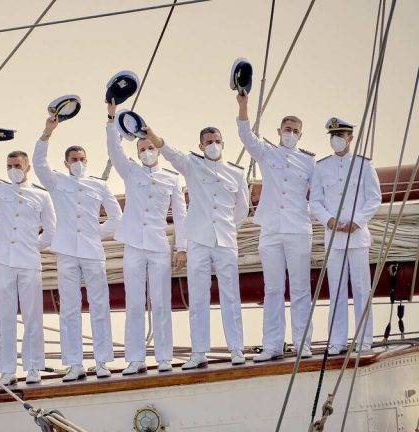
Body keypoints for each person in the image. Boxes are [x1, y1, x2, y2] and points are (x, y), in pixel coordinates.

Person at [33, 114, 122, 381]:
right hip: (67, 251)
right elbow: (38, 163)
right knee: (70, 308)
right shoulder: (57, 181)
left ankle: (103, 361)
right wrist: (47, 132)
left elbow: (116, 217)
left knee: (99, 305)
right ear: (66, 163)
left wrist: (96, 234)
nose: (79, 163)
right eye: (74, 160)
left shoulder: (99, 185)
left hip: (93, 251)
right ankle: (74, 364)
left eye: (82, 159)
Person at [156, 125, 249, 369]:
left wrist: (228, 226)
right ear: (201, 146)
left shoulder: (236, 173)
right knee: (198, 296)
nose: (213, 145)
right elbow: (170, 153)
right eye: (208, 142)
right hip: (198, 239)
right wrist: (152, 134)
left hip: (225, 240)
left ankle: (236, 348)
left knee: (231, 294)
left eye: (217, 141)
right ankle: (198, 352)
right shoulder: (192, 165)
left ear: (223, 143)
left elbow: (242, 208)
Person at [105, 101, 187, 375]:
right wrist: (111, 117)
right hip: (133, 245)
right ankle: (135, 358)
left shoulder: (172, 179)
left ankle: (164, 357)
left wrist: (181, 247)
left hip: (158, 246)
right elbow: (114, 151)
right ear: (138, 154)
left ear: (157, 151)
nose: (147, 152)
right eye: (142, 149)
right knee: (135, 302)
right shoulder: (131, 172)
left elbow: (181, 214)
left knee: (161, 302)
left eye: (151, 148)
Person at [0, 141, 56, 386]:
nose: (13, 169)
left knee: (32, 316)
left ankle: (34, 367)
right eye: (9, 166)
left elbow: (50, 230)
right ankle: (7, 370)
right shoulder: (1, 190)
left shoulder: (42, 196)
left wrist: (30, 246)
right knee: (4, 317)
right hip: (3, 260)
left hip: (28, 262)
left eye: (17, 165)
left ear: (27, 167)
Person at [236, 92, 315, 362]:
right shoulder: (267, 152)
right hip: (270, 229)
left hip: (297, 230)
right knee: (272, 289)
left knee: (301, 289)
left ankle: (303, 344)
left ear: (300, 135)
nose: (290, 134)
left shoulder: (309, 162)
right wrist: (244, 105)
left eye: (295, 131)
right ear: (279, 131)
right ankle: (272, 346)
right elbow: (246, 136)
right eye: (287, 129)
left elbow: (318, 196)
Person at [310, 117, 381, 355]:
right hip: (334, 237)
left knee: (361, 288)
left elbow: (374, 198)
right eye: (333, 136)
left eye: (340, 136)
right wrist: (329, 220)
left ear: (350, 138)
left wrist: (357, 221)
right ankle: (337, 341)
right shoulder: (321, 167)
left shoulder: (363, 165)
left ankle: (364, 339)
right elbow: (315, 201)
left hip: (357, 236)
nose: (336, 140)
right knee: (337, 289)